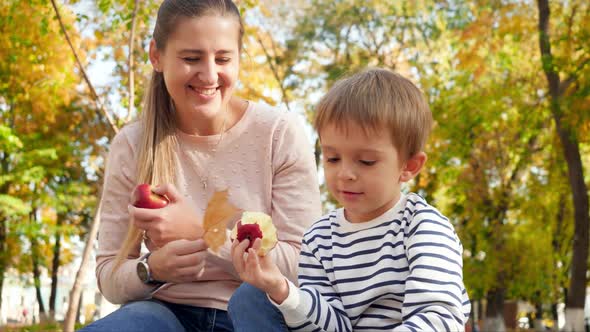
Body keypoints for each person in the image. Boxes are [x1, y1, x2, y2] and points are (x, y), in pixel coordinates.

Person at [79, 0, 321, 331]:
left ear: (238, 59)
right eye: (191, 58)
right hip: (166, 312)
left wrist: (203, 232)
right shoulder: (132, 144)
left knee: (248, 302)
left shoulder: (279, 134)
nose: (209, 75)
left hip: (256, 313)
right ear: (157, 56)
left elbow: (304, 269)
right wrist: (151, 270)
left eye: (223, 59)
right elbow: (110, 274)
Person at [230, 68, 471, 331]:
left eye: (366, 161)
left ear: (409, 166)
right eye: (332, 158)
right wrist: (281, 289)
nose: (345, 174)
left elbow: (439, 319)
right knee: (251, 297)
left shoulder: (423, 227)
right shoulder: (319, 238)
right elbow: (332, 326)